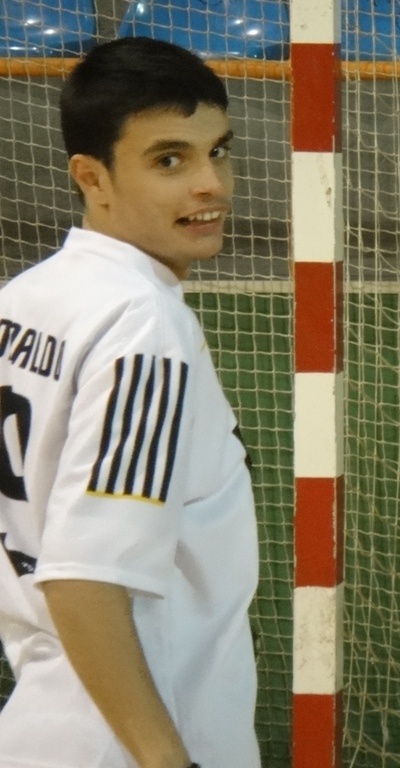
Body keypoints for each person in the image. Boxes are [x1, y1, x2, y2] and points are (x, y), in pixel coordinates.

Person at [0, 38, 260, 768]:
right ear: (93, 177)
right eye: (169, 160)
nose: (211, 184)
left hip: (43, 718)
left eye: (219, 150)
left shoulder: (21, 301)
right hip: (129, 737)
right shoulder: (144, 326)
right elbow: (84, 580)